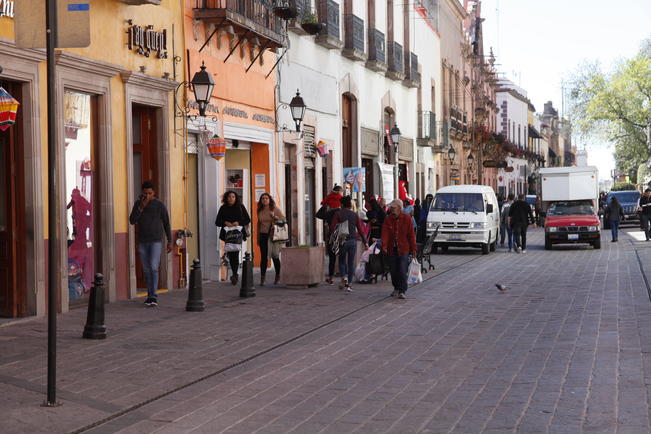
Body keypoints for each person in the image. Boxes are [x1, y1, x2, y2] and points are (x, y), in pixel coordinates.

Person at [129, 181, 173, 307]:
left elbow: (166, 223)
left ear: (154, 193)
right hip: (143, 241)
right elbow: (132, 220)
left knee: (153, 267)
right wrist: (141, 208)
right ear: (141, 193)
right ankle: (149, 294)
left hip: (156, 241)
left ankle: (153, 296)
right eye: (145, 193)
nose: (147, 196)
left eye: (149, 193)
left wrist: (170, 241)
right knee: (146, 269)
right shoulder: (138, 204)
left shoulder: (159, 205)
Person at [330, 196, 368, 291]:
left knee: (342, 261)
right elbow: (360, 229)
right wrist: (365, 242)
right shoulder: (354, 215)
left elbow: (332, 228)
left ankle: (344, 277)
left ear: (342, 204)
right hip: (353, 240)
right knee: (351, 263)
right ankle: (349, 284)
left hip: (342, 240)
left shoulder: (338, 214)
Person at [381, 199, 417, 299]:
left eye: (394, 208)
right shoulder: (388, 219)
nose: (392, 210)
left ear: (400, 208)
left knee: (402, 269)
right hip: (392, 249)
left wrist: (413, 248)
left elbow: (411, 235)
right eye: (391, 208)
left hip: (404, 249)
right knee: (393, 270)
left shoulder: (406, 218)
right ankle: (396, 287)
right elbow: (385, 233)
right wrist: (384, 245)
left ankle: (402, 290)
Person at [215, 191, 251, 285]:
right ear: (226, 198)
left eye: (233, 197)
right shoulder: (223, 208)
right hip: (227, 235)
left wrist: (238, 223)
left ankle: (235, 274)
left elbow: (247, 219)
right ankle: (234, 273)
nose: (231, 198)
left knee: (235, 252)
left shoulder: (240, 207)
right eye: (229, 197)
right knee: (231, 254)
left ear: (236, 198)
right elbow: (217, 222)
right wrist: (225, 223)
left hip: (238, 234)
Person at [257, 193, 285, 286]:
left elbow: (283, 220)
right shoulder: (260, 210)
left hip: (273, 236)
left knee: (275, 256)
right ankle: (262, 278)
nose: (264, 200)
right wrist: (258, 238)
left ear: (269, 200)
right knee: (263, 257)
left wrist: (274, 217)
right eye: (263, 198)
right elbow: (259, 224)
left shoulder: (274, 209)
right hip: (263, 235)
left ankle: (278, 276)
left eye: (266, 198)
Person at [324, 201, 342, 286]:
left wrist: (325, 205)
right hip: (341, 237)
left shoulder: (328, 214)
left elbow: (318, 214)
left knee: (332, 259)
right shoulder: (340, 213)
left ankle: (331, 278)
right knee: (342, 258)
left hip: (332, 238)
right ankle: (344, 278)